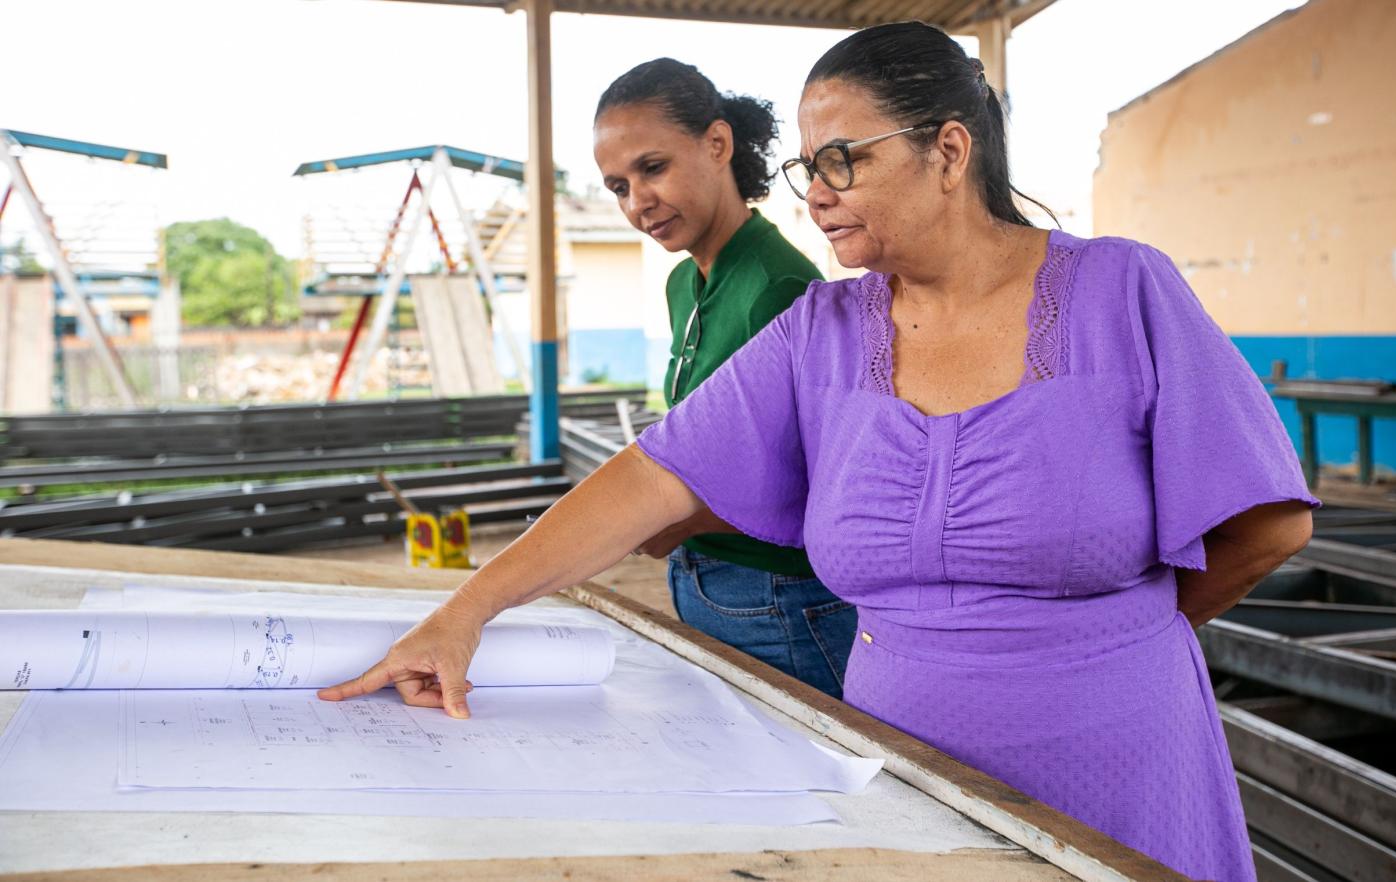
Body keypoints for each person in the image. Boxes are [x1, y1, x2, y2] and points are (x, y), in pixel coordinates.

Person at [321, 23, 1315, 881]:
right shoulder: (824, 334)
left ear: (948, 150)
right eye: (807, 170)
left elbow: (1269, 524)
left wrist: (1111, 639)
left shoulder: (1120, 293)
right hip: (905, 774)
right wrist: (465, 612)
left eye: (842, 160)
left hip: (1116, 769)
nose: (816, 194)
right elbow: (652, 477)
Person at [591, 58, 855, 697]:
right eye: (618, 186)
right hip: (702, 582)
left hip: (782, 602)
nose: (638, 202)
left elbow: (824, 485)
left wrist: (675, 519)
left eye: (652, 168)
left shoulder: (781, 288)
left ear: (717, 144)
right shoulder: (685, 282)